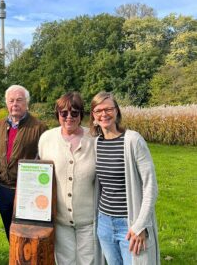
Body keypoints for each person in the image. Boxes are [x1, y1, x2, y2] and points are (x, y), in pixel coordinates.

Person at [90, 91, 160, 265]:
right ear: (93, 115)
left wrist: (140, 225)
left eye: (108, 109)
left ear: (117, 112)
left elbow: (150, 186)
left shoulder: (133, 140)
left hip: (129, 224)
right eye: (98, 110)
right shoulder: (97, 143)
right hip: (104, 223)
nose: (104, 114)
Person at [38, 92, 96, 265]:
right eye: (64, 113)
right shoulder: (47, 138)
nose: (69, 117)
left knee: (89, 261)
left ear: (81, 115)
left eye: (74, 113)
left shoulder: (95, 139)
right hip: (60, 218)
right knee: (65, 261)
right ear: (58, 114)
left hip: (89, 219)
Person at [0, 85, 47, 240]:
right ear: (6, 103)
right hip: (4, 190)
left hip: (27, 191)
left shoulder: (39, 127)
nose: (15, 104)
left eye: (19, 100)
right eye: (11, 100)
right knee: (10, 231)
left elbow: (45, 161)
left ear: (26, 102)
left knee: (27, 232)